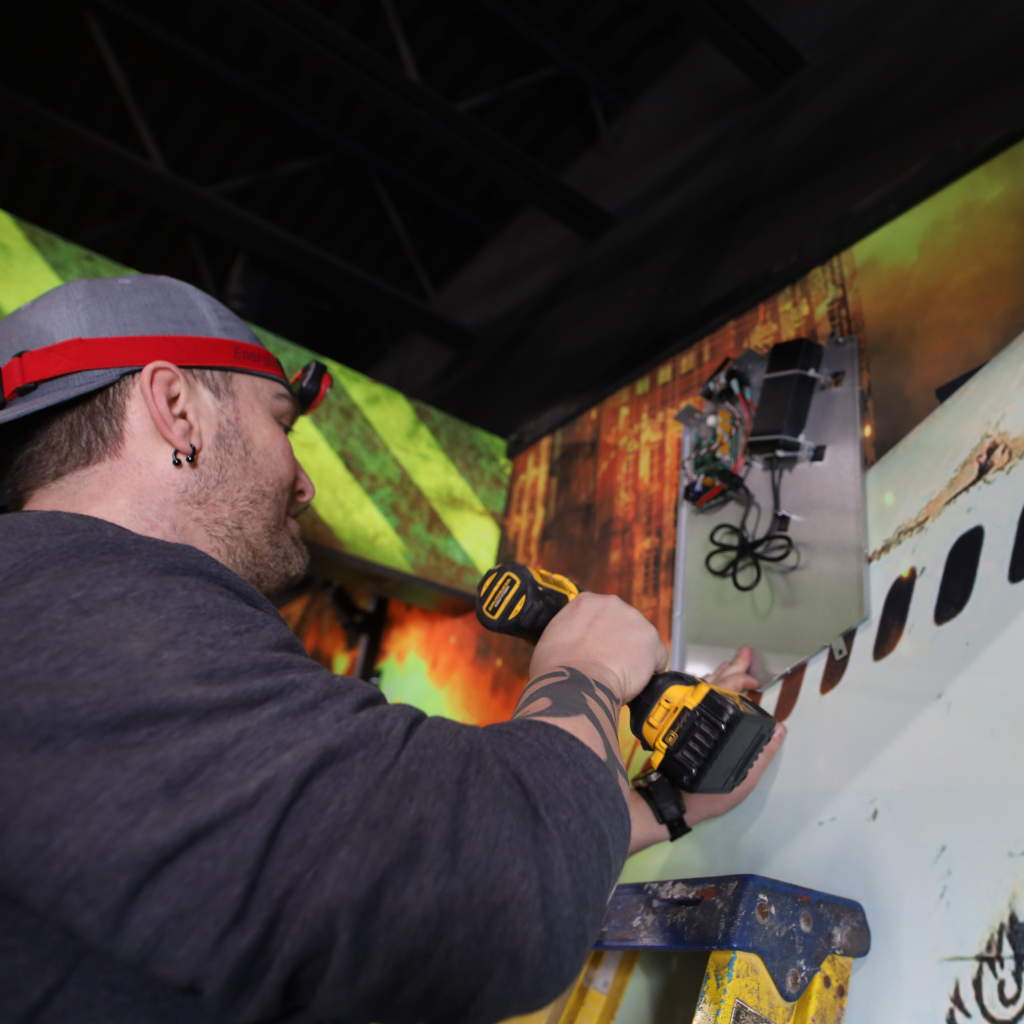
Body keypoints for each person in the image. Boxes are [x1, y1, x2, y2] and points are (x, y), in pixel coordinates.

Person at [0, 275, 784, 1024]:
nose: (303, 481)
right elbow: (488, 904)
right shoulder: (67, 622)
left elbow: (321, 891)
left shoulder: (58, 632)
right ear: (176, 408)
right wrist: (584, 669)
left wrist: (650, 809)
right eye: (281, 422)